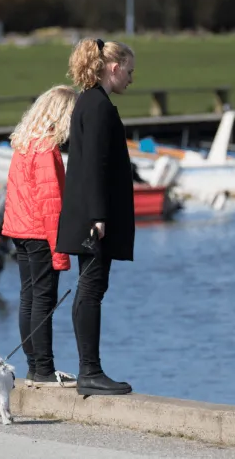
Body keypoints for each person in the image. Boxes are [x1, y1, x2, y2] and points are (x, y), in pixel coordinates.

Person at [56, 38, 136, 396]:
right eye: (129, 71)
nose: (132, 79)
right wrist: (99, 216)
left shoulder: (89, 102)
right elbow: (94, 166)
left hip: (87, 214)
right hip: (92, 218)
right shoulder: (98, 106)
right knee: (91, 288)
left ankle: (89, 369)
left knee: (91, 288)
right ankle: (90, 371)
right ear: (114, 68)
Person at [2, 85, 78, 388]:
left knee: (28, 299)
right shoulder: (46, 148)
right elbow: (51, 205)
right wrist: (60, 253)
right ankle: (44, 370)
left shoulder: (23, 142)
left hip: (19, 230)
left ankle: (35, 368)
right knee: (42, 301)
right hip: (39, 232)